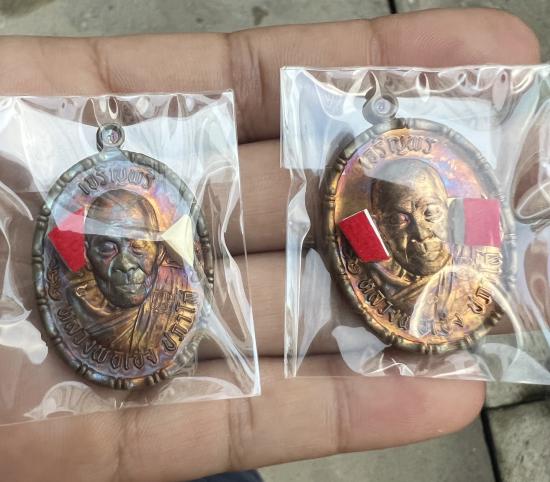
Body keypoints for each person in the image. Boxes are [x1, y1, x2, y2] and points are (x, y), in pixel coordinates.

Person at [0, 8, 539, 482]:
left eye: (430, 212)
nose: (418, 233)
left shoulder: (472, 251)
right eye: (105, 249)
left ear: (161, 250)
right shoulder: (76, 298)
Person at [70, 189, 192, 355]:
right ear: (87, 256)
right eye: (107, 248)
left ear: (160, 251)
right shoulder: (75, 305)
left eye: (138, 245)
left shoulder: (180, 288)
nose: (125, 265)